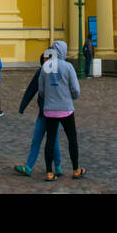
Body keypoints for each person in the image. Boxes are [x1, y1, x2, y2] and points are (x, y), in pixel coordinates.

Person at [39, 40, 85, 181]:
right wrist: (72, 97)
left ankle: (49, 172)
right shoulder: (68, 66)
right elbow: (76, 89)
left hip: (50, 110)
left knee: (50, 140)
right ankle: (76, 169)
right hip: (66, 109)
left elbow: (41, 90)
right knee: (72, 139)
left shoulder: (46, 66)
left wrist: (49, 98)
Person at [13, 52, 62, 178]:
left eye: (48, 58)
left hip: (47, 113)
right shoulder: (48, 72)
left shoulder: (48, 72)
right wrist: (23, 105)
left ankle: (31, 167)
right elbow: (32, 89)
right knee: (52, 140)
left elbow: (32, 89)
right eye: (45, 58)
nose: (46, 60)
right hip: (51, 112)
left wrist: (23, 106)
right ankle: (57, 167)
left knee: (40, 139)